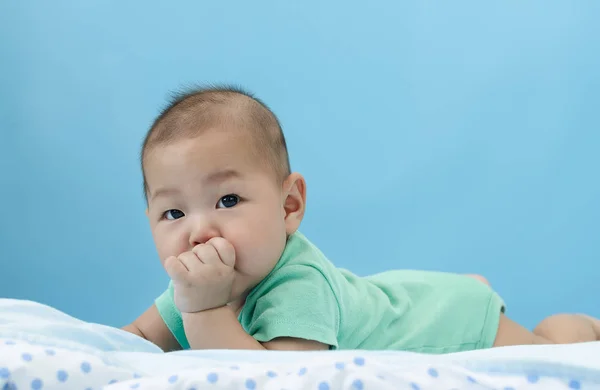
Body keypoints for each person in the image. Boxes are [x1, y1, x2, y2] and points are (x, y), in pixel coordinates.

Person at [122, 86, 600, 352]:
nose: (199, 230)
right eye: (174, 212)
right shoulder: (196, 283)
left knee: (546, 352)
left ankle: (576, 326)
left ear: (289, 207)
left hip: (449, 321)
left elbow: (265, 379)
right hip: (387, 299)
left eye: (227, 200)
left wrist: (203, 313)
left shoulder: (297, 287)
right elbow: (136, 339)